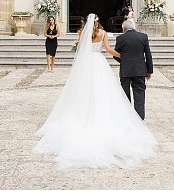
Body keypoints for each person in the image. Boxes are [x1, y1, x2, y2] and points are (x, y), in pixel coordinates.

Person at [33, 13, 157, 168]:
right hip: (99, 62)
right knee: (103, 90)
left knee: (82, 89)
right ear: (99, 23)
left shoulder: (82, 33)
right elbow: (108, 49)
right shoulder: (103, 33)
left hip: (85, 64)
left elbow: (81, 50)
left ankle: (82, 114)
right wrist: (124, 56)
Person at [113, 18, 154, 120]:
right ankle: (139, 118)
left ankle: (126, 116)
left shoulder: (120, 38)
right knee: (139, 93)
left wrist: (124, 61)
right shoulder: (143, 37)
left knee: (125, 94)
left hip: (125, 71)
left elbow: (115, 55)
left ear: (124, 29)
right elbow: (148, 55)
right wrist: (149, 71)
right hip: (140, 70)